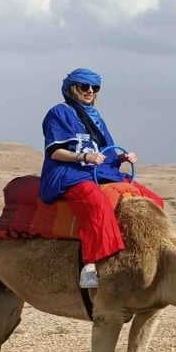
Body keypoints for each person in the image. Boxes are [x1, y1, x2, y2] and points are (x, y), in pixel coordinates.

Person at [39, 68, 153, 290]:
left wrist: (121, 157)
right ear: (72, 88)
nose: (90, 91)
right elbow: (55, 151)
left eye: (94, 87)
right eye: (84, 86)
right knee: (95, 201)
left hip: (99, 172)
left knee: (146, 197)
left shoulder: (96, 117)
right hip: (69, 173)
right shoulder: (59, 113)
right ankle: (90, 266)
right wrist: (84, 156)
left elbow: (105, 154)